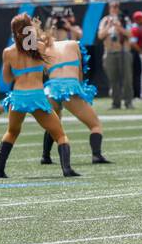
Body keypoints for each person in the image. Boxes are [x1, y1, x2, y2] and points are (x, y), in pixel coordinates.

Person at [0, 13, 79, 178]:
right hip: (37, 96)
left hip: (18, 96)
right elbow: (47, 42)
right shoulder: (39, 47)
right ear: (29, 28)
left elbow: (6, 79)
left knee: (12, 131)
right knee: (59, 134)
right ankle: (66, 169)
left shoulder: (8, 52)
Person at [40, 14, 109, 165]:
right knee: (95, 124)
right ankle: (96, 155)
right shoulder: (73, 44)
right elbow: (79, 73)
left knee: (54, 124)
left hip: (51, 88)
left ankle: (45, 156)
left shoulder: (45, 48)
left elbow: (44, 72)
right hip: (70, 86)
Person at [97, 1, 133, 108]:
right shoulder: (105, 20)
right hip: (109, 52)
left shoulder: (125, 19)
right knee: (113, 79)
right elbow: (100, 36)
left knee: (127, 78)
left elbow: (130, 34)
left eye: (116, 7)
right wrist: (109, 26)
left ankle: (128, 102)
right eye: (112, 7)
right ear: (109, 8)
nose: (114, 9)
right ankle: (115, 102)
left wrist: (120, 28)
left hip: (123, 51)